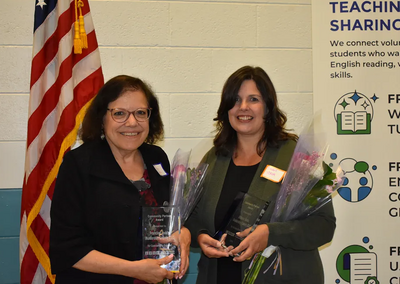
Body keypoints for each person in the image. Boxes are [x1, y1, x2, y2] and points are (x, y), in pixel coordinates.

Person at [185, 66, 336, 284]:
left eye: (253, 99)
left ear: (267, 107)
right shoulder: (214, 158)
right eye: (235, 100)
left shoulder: (297, 159)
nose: (243, 107)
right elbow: (191, 215)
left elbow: (323, 226)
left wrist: (270, 233)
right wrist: (199, 235)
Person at [50, 75, 191, 284]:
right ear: (102, 118)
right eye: (119, 113)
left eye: (141, 113)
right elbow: (67, 249)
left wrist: (184, 233)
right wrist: (133, 270)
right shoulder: (78, 165)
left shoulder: (156, 159)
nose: (132, 122)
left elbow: (167, 218)